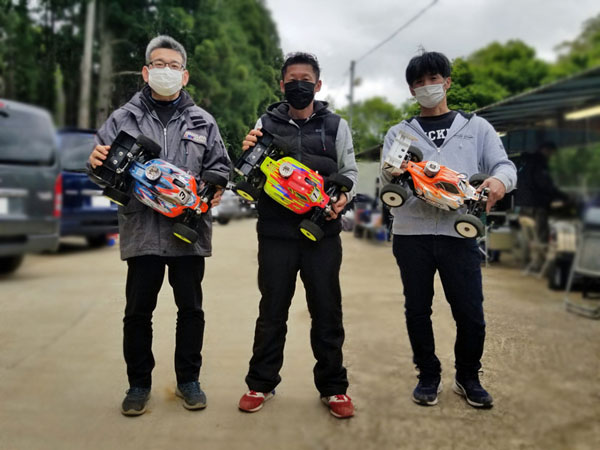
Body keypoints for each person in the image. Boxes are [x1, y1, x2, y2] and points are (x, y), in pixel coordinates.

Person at [88, 35, 231, 416]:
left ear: (184, 76)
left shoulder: (203, 121)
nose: (166, 71)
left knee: (191, 310)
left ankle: (189, 380)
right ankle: (138, 385)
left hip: (188, 231)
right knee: (138, 312)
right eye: (159, 64)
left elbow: (221, 165)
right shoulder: (123, 119)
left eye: (173, 66)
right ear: (145, 71)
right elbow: (99, 167)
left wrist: (215, 186)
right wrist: (95, 161)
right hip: (142, 229)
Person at [380, 51, 517, 409]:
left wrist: (499, 182)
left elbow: (504, 166)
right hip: (412, 233)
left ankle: (468, 376)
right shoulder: (399, 133)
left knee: (470, 312)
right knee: (417, 309)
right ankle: (428, 375)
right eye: (419, 82)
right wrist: (393, 173)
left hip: (460, 233)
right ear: (411, 90)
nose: (427, 86)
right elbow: (387, 176)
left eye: (433, 79)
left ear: (447, 82)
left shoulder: (476, 128)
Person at [237, 52, 358, 419]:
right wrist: (248, 152)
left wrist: (344, 198)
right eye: (292, 80)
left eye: (306, 80)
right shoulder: (266, 122)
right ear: (282, 85)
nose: (299, 86)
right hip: (276, 233)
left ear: (318, 85)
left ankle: (333, 388)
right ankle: (261, 383)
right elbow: (251, 171)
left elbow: (350, 171)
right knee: (272, 310)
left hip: (323, 234)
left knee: (327, 310)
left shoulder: (336, 125)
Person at [515, 141, 568, 244]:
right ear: (546, 150)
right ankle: (540, 253)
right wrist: (562, 196)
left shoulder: (525, 163)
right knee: (540, 236)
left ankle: (529, 252)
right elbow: (544, 184)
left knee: (527, 236)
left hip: (523, 205)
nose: (551, 156)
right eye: (551, 153)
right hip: (536, 205)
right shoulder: (539, 163)